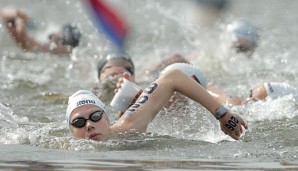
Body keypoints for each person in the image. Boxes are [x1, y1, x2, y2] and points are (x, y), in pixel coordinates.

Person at [66, 68, 248, 142]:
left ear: (106, 118)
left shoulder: (128, 127)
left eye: (96, 117)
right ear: (71, 130)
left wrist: (223, 115)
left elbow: (173, 76)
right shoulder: (63, 148)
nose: (89, 125)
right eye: (79, 123)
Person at [0, 7, 81, 54]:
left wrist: (19, 26)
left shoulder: (46, 51)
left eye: (62, 42)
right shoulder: (42, 35)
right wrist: (17, 14)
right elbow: (5, 12)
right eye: (56, 39)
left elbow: (25, 45)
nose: (56, 45)